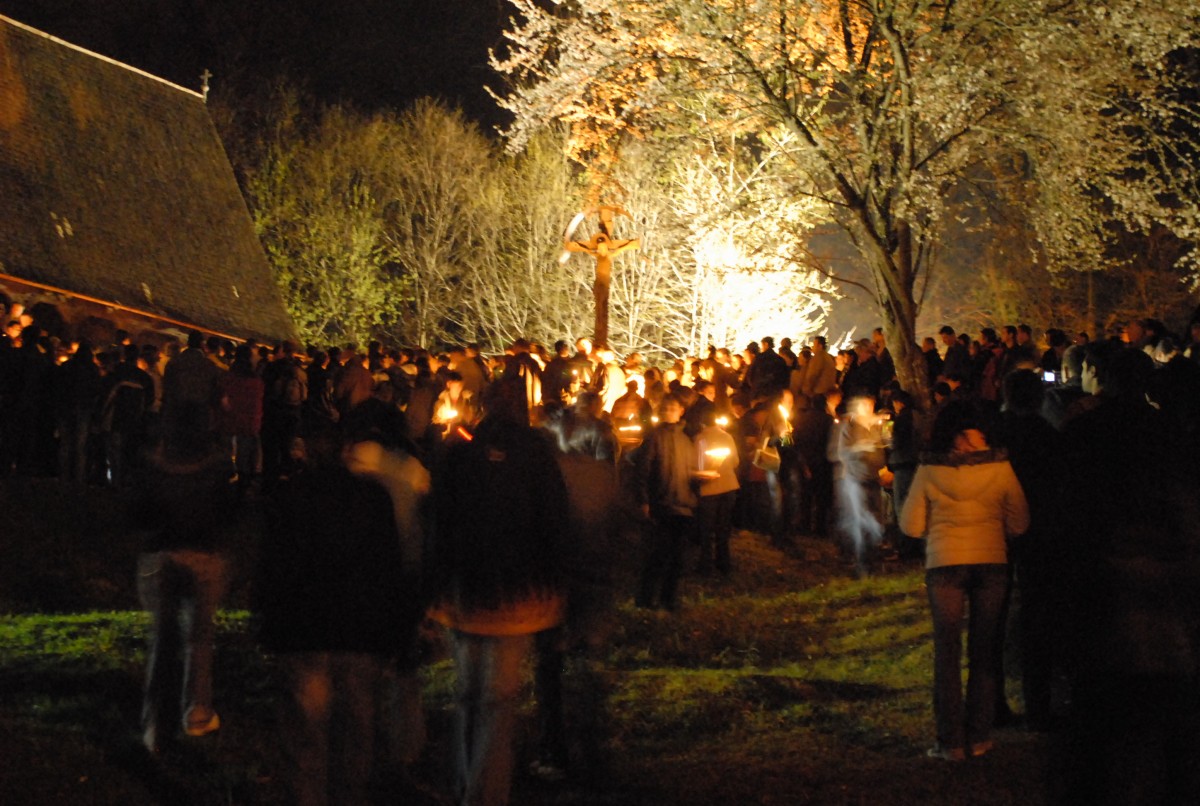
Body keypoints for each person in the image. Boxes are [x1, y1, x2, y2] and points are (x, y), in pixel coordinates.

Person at [259, 403, 428, 805]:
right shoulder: (372, 498)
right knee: (356, 734)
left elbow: (275, 566)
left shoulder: (292, 496)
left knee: (307, 735)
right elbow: (390, 565)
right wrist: (397, 628)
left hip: (307, 633)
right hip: (360, 633)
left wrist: (271, 623)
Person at [429, 378, 569, 806]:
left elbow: (441, 521)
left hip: (466, 594)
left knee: (468, 693)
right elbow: (554, 523)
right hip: (518, 597)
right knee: (498, 701)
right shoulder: (538, 454)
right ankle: (484, 793)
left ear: (484, 406)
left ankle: (463, 780)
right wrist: (557, 587)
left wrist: (435, 588)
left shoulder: (463, 453)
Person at [899, 399, 1029, 761]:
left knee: (948, 652)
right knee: (985, 652)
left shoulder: (929, 470)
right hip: (991, 562)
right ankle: (981, 735)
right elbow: (1020, 522)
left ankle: (950, 741)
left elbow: (910, 525)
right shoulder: (1001, 468)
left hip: (944, 563)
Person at [131, 415, 239, 754]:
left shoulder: (153, 467)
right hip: (206, 556)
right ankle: (197, 712)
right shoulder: (219, 468)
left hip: (161, 556)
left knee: (162, 640)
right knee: (200, 638)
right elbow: (231, 514)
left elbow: (139, 516)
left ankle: (153, 724)